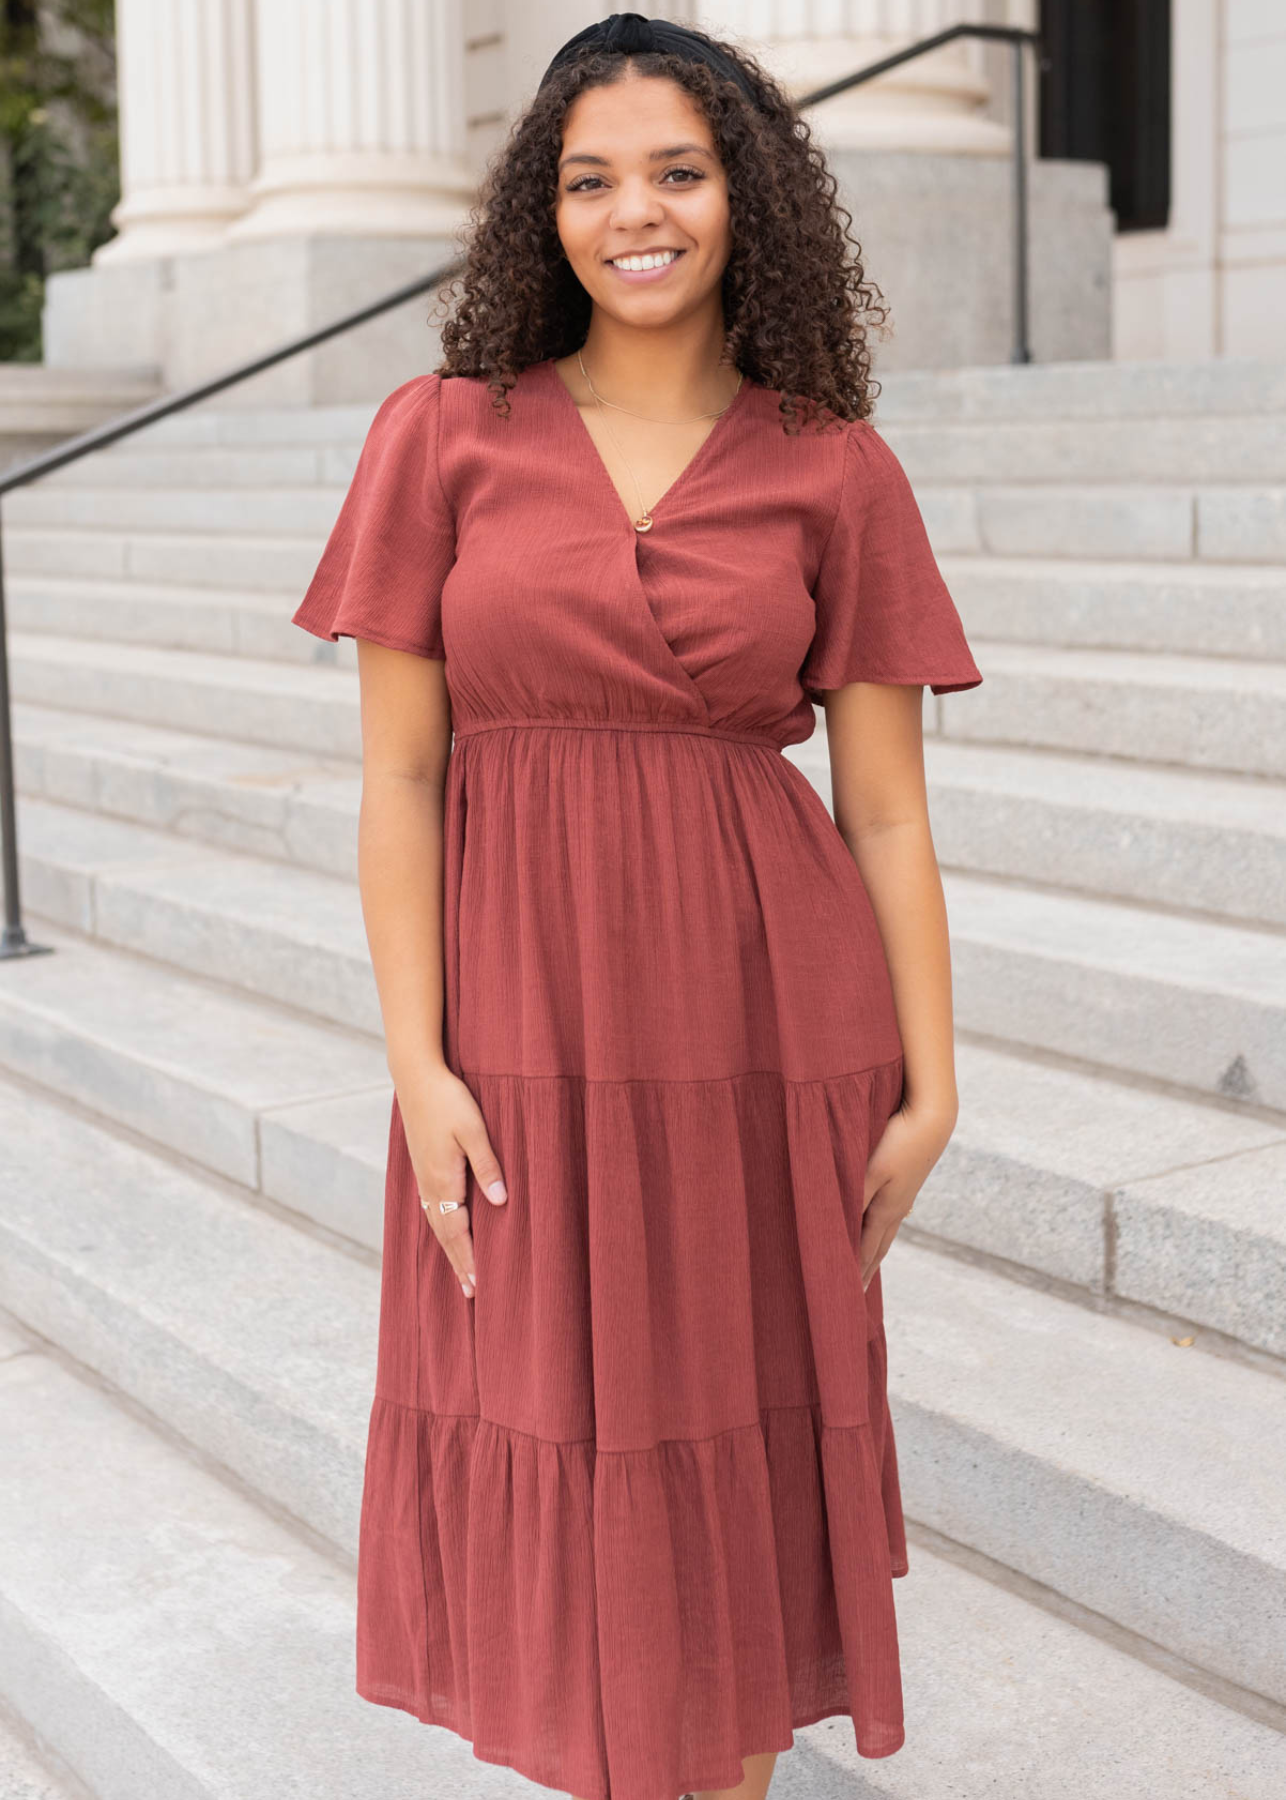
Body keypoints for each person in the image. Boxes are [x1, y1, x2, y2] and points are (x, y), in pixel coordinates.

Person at [291, 13, 983, 1800]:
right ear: (545, 210)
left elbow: (886, 809)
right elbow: (401, 777)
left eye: (679, 170)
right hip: (512, 1030)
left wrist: (934, 1077)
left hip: (764, 1026)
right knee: (553, 1462)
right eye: (591, 178)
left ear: (746, 196)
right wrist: (416, 1067)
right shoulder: (444, 436)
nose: (637, 213)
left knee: (727, 1491)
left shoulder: (831, 462)